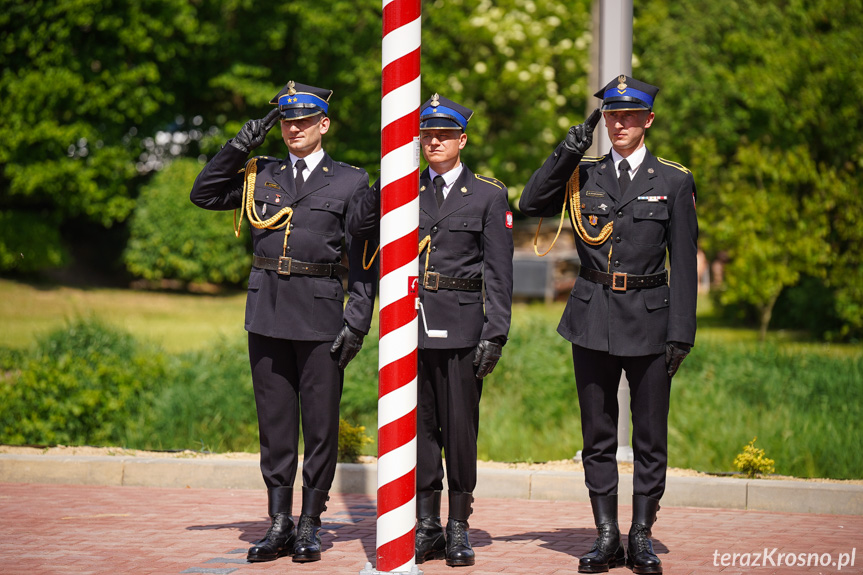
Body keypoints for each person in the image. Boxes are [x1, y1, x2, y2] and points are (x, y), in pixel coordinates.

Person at [190, 81, 376, 564]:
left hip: (320, 317)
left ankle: (310, 523)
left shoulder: (350, 182)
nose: (294, 129)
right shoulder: (261, 172)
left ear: (323, 125)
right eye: (287, 122)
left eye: (305, 121)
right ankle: (279, 522)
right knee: (274, 428)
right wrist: (239, 144)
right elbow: (204, 194)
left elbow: (364, 257)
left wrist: (357, 318)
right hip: (268, 312)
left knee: (319, 428)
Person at [519, 75, 698, 575]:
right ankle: (606, 534)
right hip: (592, 316)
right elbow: (530, 203)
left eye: (629, 116)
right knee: (596, 435)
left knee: (649, 437)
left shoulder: (673, 181)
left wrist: (682, 331)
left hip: (650, 319)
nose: (619, 124)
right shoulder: (583, 174)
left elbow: (683, 263)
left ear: (648, 120)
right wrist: (564, 154)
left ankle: (641, 535)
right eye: (612, 116)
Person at [348, 94, 514, 567]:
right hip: (409, 327)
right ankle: (428, 525)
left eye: (444, 133)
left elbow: (498, 271)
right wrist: (388, 176)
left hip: (462, 326)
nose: (434, 140)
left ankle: (459, 525)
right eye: (427, 134)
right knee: (418, 431)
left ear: (462, 139)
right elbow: (360, 228)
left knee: (460, 429)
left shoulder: (486, 194)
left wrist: (495, 332)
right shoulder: (405, 188)